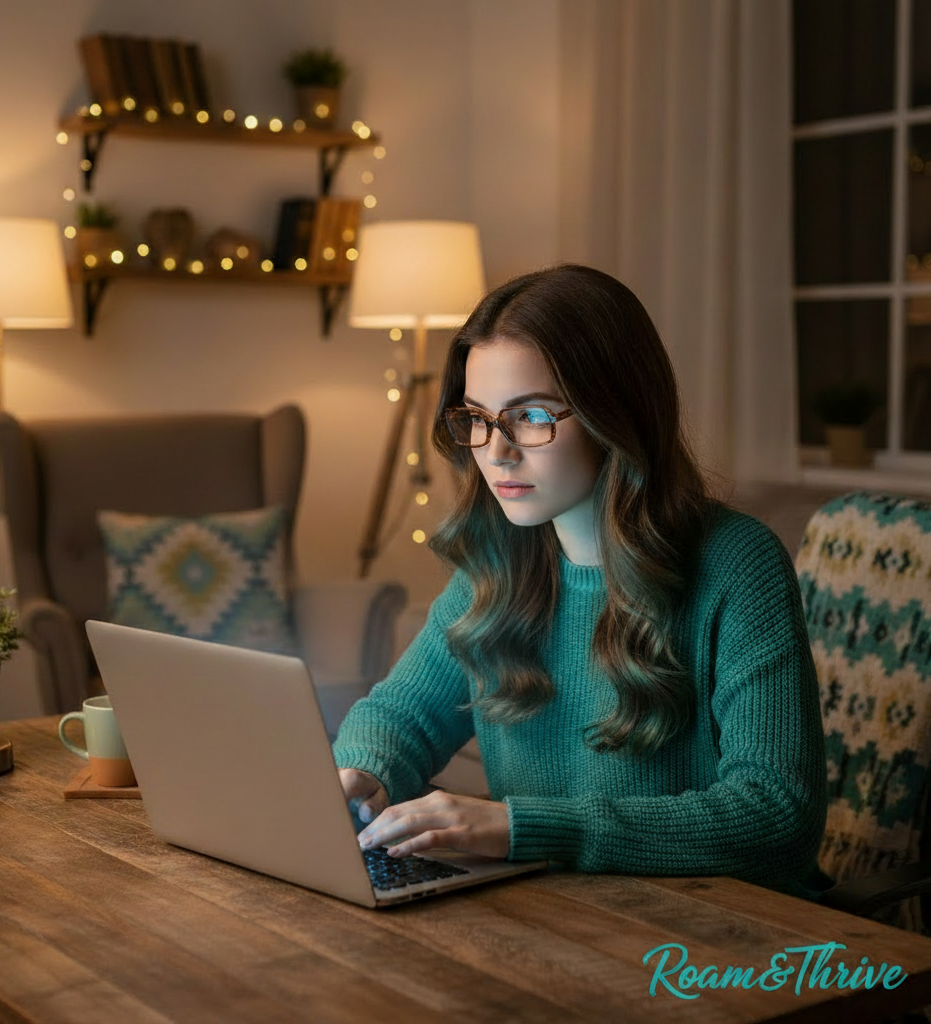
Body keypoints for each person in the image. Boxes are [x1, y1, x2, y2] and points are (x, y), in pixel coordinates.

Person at [333, 263, 826, 894]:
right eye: (478, 418)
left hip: (726, 933)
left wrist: (522, 827)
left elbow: (777, 817)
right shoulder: (500, 561)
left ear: (613, 413)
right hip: (565, 918)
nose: (496, 452)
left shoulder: (736, 563)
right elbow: (400, 716)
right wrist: (365, 771)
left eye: (531, 417)